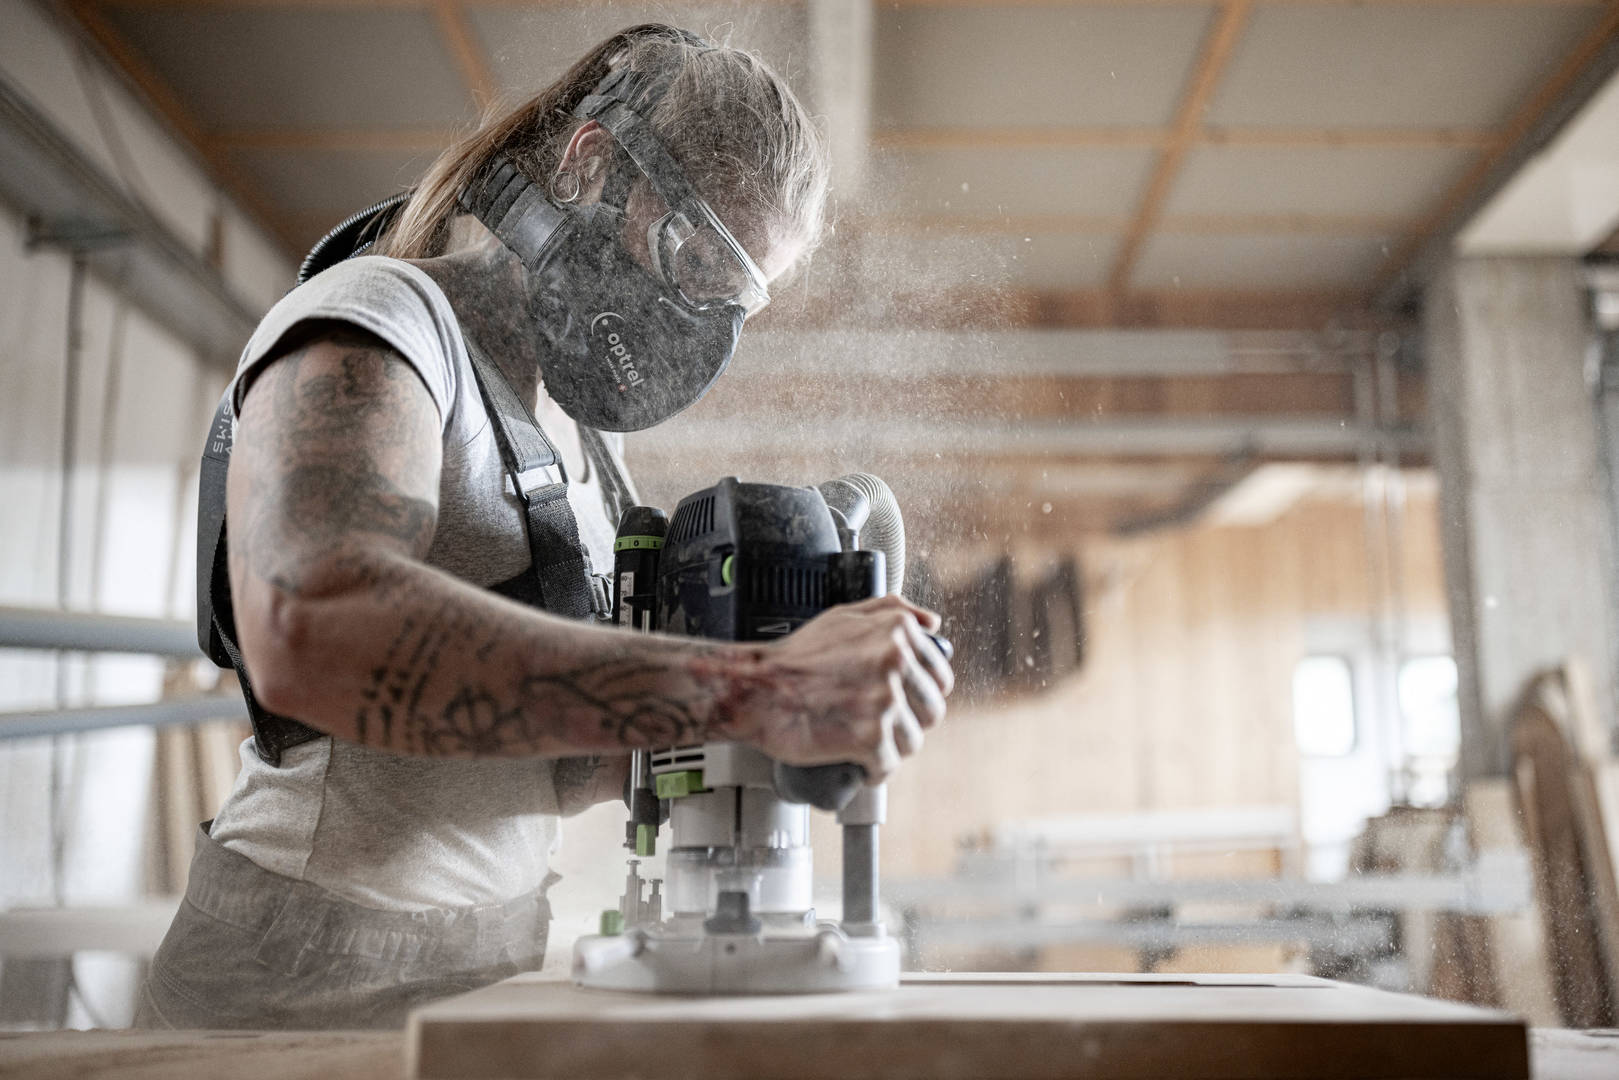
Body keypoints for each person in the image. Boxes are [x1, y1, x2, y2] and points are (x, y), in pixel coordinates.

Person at [135, 24, 954, 1030]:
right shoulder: (381, 322)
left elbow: (553, 757)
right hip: (293, 970)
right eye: (698, 257)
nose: (705, 319)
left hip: (483, 962)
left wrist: (772, 700)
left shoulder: (578, 440)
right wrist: (756, 688)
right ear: (591, 162)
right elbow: (310, 627)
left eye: (737, 300)